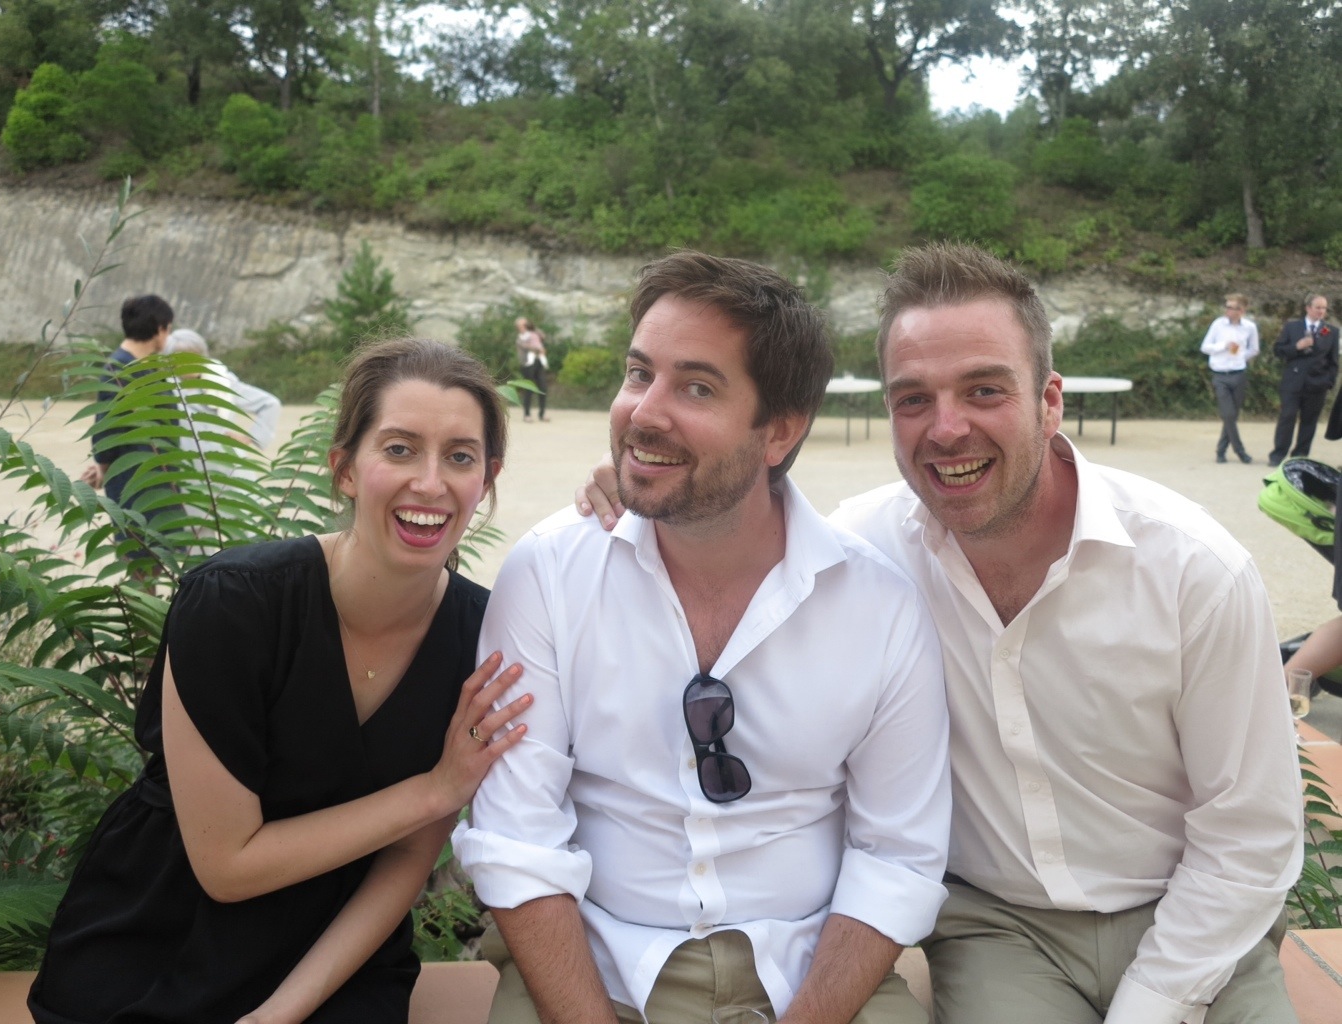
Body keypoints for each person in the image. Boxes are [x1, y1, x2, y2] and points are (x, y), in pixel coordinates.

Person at [577, 243, 1304, 1024]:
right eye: (913, 399)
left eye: (984, 390)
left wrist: (1153, 1005)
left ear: (1049, 402)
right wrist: (650, 474)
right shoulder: (860, 558)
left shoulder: (1192, 570)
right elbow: (739, 498)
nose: (947, 429)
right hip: (1002, 930)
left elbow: (1248, 831)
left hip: (1194, 915)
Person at [456, 251, 951, 1024]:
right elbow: (518, 841)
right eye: (638, 374)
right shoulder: (549, 574)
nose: (644, 413)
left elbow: (897, 856)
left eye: (697, 387)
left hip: (807, 973)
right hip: (594, 968)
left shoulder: (878, 606)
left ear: (779, 431)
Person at [30, 338, 532, 1024]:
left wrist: (282, 1012)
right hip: (165, 937)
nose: (430, 482)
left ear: (488, 478)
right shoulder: (232, 605)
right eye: (399, 449)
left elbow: (406, 859)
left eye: (461, 457)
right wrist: (435, 790)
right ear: (344, 469)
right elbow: (226, 866)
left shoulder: (485, 639)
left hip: (336, 957)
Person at [79, 294, 176, 503]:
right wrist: (102, 467)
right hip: (135, 482)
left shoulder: (144, 366)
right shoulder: (119, 370)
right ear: (160, 329)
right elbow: (107, 428)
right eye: (168, 329)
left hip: (158, 477)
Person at [164, 328, 283, 451]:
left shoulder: (223, 382)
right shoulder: (164, 389)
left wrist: (250, 438)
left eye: (195, 356)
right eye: (183, 359)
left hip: (224, 457)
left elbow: (269, 404)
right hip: (184, 458)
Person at [1269, 292, 1337, 466]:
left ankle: (1300, 455)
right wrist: (1296, 347)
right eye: (1318, 307)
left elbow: (1333, 362)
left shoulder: (1331, 331)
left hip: (1317, 383)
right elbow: (1278, 350)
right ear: (1308, 308)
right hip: (1293, 381)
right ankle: (1278, 454)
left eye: (1324, 308)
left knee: (1309, 421)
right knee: (1287, 417)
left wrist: (1328, 382)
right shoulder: (1292, 327)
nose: (1321, 311)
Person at [1200, 293, 1259, 464]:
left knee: (1232, 416)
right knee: (1228, 413)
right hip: (1220, 374)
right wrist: (1223, 346)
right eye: (1227, 307)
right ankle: (1240, 450)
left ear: (1242, 310)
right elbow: (1205, 347)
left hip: (1238, 373)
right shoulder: (1218, 324)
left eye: (1233, 308)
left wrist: (1241, 357)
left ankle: (1221, 450)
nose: (1229, 310)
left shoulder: (1249, 327)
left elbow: (1254, 349)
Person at [514, 317, 549, 422]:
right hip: (527, 365)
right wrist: (539, 348)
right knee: (529, 389)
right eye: (523, 325)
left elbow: (543, 336)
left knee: (543, 387)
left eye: (526, 324)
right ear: (518, 327)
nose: (525, 327)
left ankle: (542, 414)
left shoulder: (534, 334)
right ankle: (527, 414)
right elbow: (529, 346)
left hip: (538, 362)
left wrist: (533, 328)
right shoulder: (520, 339)